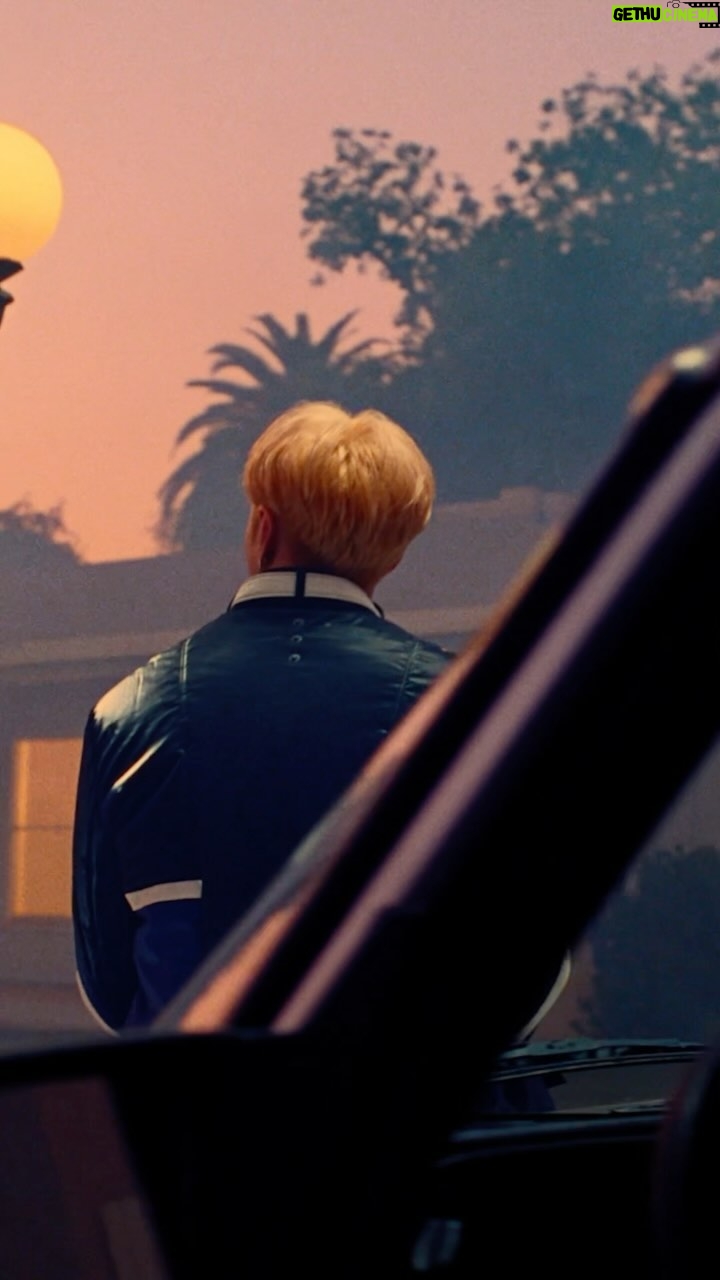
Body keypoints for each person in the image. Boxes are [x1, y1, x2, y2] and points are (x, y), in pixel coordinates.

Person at [72, 401, 453, 1031]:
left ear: (262, 526)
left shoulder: (129, 707)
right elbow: (524, 962)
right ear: (394, 555)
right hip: (393, 1086)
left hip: (186, 1088)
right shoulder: (459, 708)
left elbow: (105, 977)